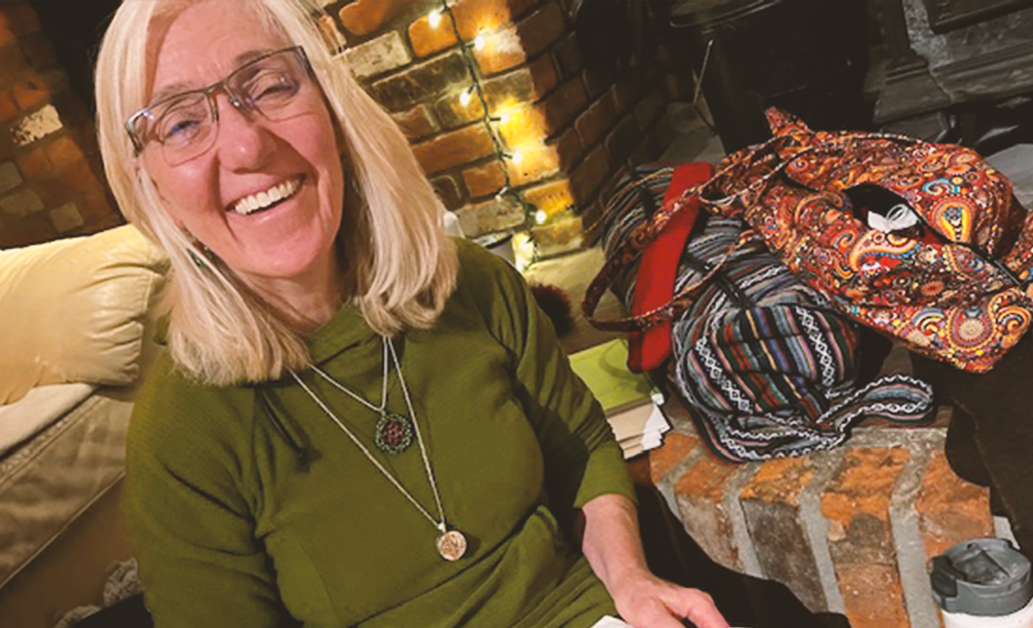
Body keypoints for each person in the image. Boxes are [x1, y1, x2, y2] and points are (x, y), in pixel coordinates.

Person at [93, 1, 730, 627]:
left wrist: (632, 581)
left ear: (332, 108)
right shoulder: (180, 435)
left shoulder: (467, 282)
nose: (246, 145)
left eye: (268, 86)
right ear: (151, 189)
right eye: (181, 124)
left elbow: (582, 447)